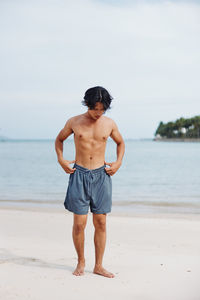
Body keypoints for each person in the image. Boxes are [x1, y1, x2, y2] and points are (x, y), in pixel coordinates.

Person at [55, 86, 125, 278]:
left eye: (103, 109)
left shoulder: (109, 123)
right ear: (87, 104)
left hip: (102, 176)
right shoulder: (74, 122)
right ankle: (81, 262)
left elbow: (120, 143)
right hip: (80, 174)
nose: (99, 113)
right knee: (79, 223)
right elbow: (59, 139)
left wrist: (118, 162)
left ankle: (99, 265)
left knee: (101, 222)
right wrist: (61, 159)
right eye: (96, 109)